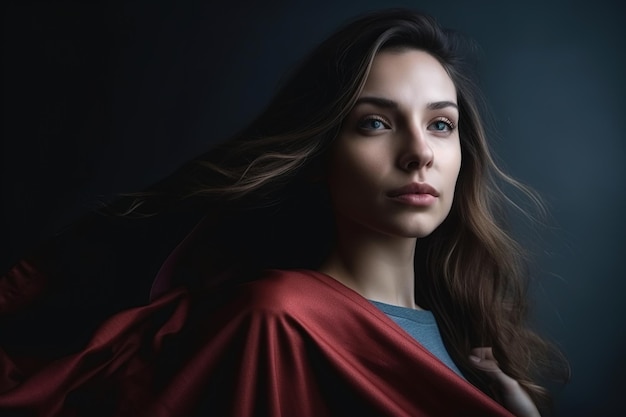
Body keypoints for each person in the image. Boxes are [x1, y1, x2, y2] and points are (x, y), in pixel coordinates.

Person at [0, 9, 568, 417]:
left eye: (440, 124)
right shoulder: (276, 319)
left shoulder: (468, 342)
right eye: (375, 122)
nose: (419, 151)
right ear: (321, 155)